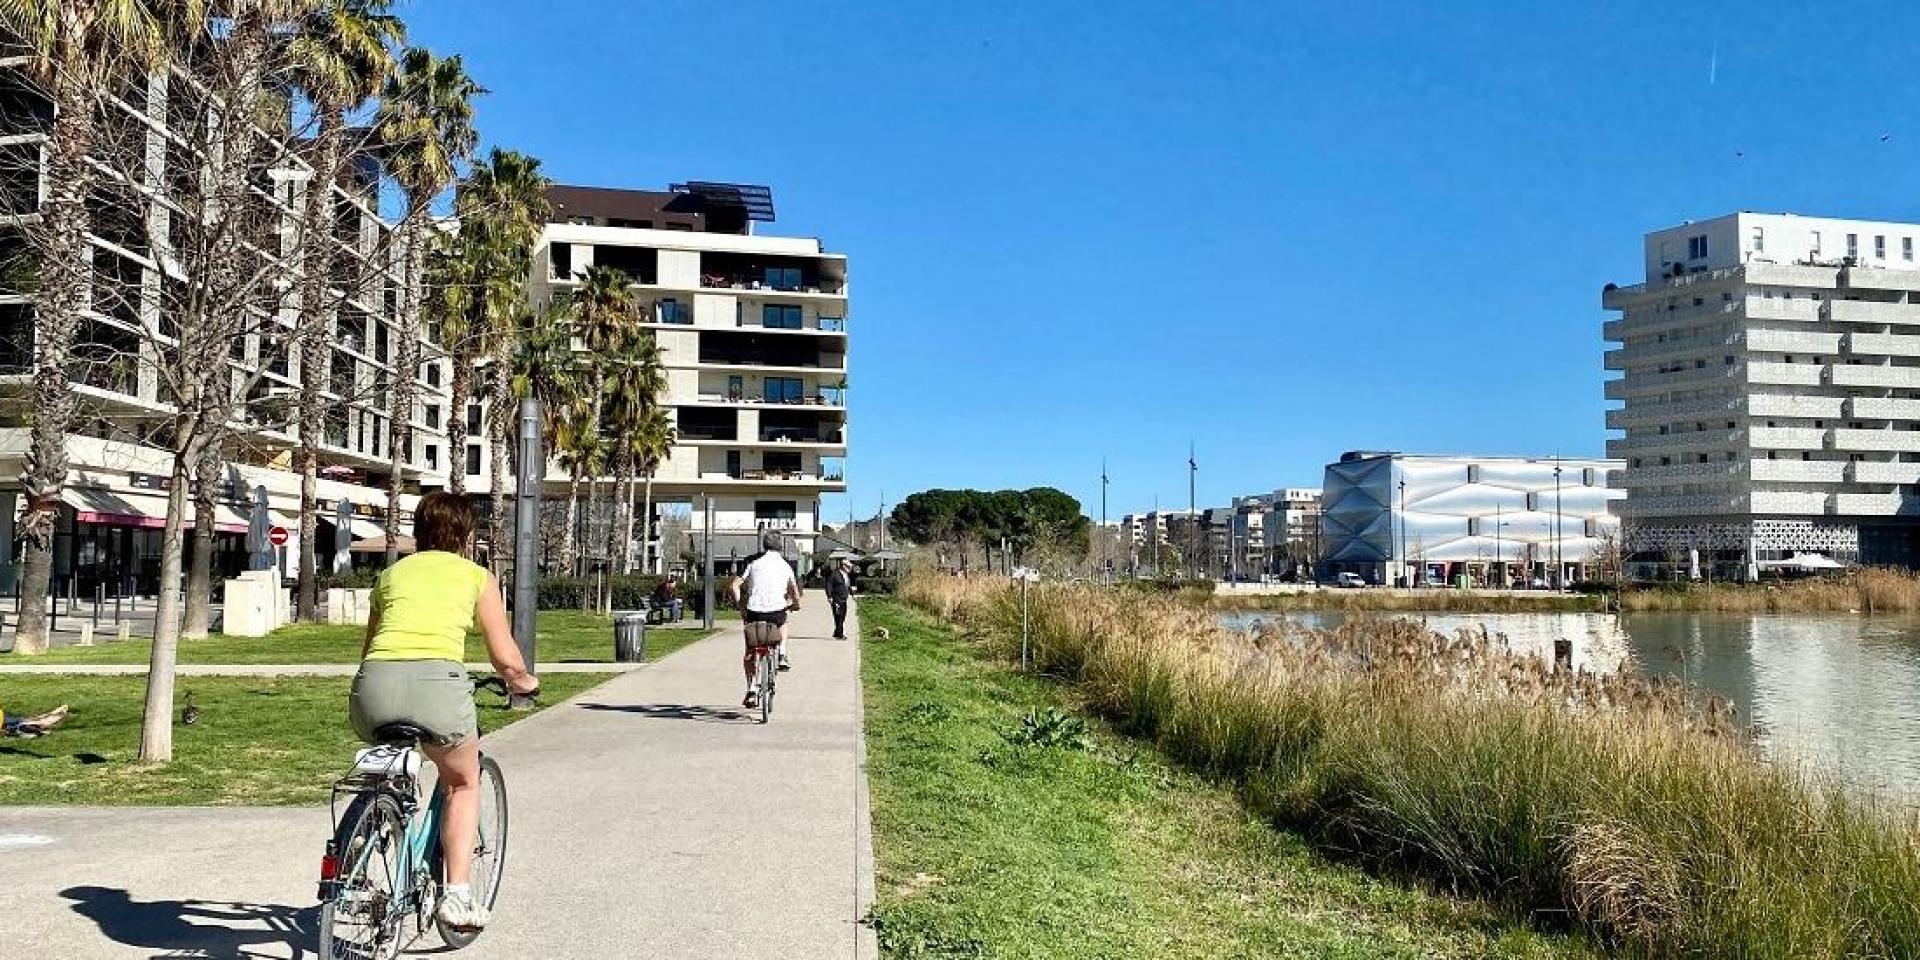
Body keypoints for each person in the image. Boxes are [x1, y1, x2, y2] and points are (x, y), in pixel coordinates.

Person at [349, 492, 538, 934]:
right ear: (467, 535)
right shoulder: (476, 577)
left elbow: (370, 645)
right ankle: (457, 894)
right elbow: (504, 658)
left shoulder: (390, 575)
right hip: (437, 690)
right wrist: (523, 681)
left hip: (372, 686)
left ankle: (372, 819)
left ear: (418, 530)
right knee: (461, 782)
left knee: (394, 759)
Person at [729, 529, 801, 708]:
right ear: (780, 546)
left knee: (750, 651)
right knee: (784, 621)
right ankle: (783, 653)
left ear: (764, 544)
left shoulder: (753, 562)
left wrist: (741, 607)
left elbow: (734, 586)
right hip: (777, 612)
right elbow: (795, 593)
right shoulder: (785, 565)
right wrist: (795, 605)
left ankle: (751, 689)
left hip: (754, 612)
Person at [1, 703, 69, 738]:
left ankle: (58, 713)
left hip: (7, 723)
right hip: (8, 724)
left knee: (38, 721)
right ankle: (57, 713)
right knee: (38, 721)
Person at [826, 558, 853, 640]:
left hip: (844, 599)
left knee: (843, 616)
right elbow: (829, 585)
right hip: (836, 598)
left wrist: (851, 592)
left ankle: (837, 632)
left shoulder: (846, 575)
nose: (849, 569)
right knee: (839, 617)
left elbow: (847, 585)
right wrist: (829, 596)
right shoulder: (835, 574)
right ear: (843, 566)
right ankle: (840, 634)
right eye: (848, 567)